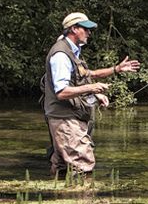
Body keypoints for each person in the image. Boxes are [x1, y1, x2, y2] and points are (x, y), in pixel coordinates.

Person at [41, 11, 141, 178]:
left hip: (70, 117)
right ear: (73, 29)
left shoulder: (73, 52)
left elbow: (87, 74)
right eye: (85, 29)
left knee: (62, 167)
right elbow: (61, 92)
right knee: (82, 165)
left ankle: (58, 199)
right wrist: (92, 89)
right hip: (65, 118)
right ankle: (84, 200)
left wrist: (116, 69)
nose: (89, 33)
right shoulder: (61, 55)